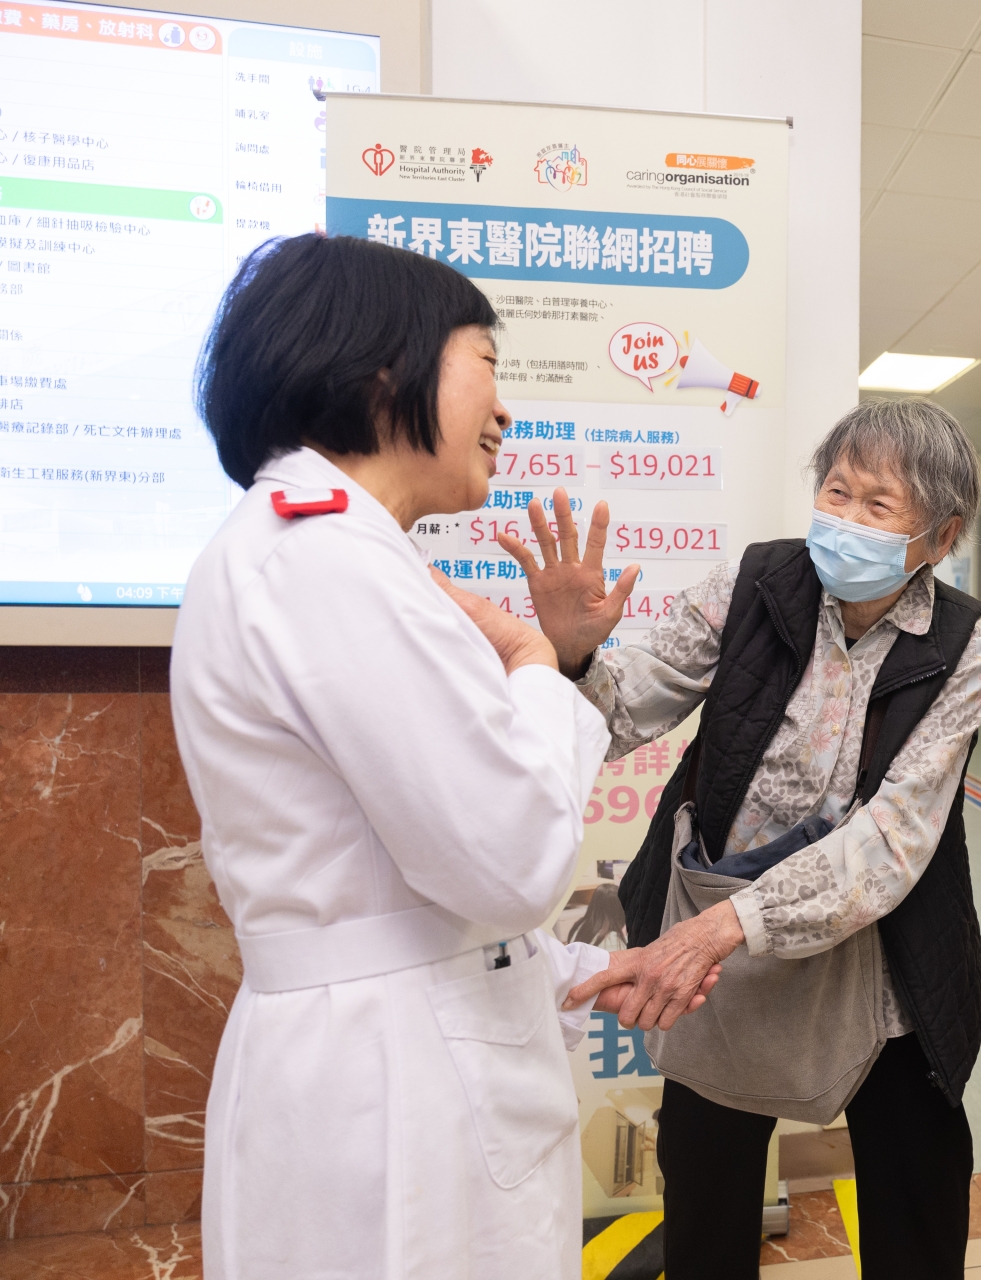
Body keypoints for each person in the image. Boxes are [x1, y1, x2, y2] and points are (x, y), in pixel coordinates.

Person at [172, 234, 642, 1278]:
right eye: (486, 361)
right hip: (394, 1092)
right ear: (386, 370)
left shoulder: (307, 547)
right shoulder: (325, 556)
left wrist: (581, 968)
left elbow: (394, 868)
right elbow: (510, 856)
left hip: (380, 1053)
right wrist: (529, 659)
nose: (506, 409)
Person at [514, 399, 981, 1280]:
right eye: (836, 491)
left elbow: (891, 840)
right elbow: (620, 715)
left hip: (885, 958)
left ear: (941, 534)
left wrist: (715, 931)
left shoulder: (964, 641)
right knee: (705, 1202)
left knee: (917, 1205)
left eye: (877, 506)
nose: (843, 519)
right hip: (720, 960)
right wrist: (575, 657)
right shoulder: (754, 585)